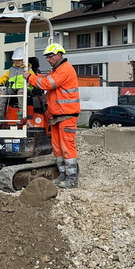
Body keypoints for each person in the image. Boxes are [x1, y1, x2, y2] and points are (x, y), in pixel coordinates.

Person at [22, 43, 80, 189]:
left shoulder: (64, 69)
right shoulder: (57, 70)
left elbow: (47, 84)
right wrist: (35, 75)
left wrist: (30, 77)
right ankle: (62, 174)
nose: (48, 59)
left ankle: (72, 178)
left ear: (59, 54)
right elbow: (46, 79)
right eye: (47, 57)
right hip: (57, 115)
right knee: (58, 147)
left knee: (67, 146)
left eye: (50, 56)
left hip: (66, 114)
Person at [0, 47, 34, 119]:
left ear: (23, 60)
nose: (17, 62)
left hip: (24, 88)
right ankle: (0, 115)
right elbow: (4, 78)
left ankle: (21, 113)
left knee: (21, 93)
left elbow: (34, 79)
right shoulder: (11, 70)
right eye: (15, 60)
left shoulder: (28, 70)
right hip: (12, 89)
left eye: (19, 60)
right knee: (2, 94)